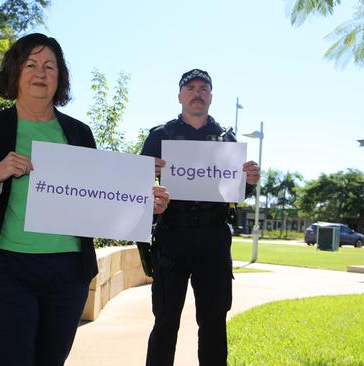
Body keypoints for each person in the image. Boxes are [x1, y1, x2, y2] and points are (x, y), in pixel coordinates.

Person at [0, 33, 169, 366]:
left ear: (60, 77)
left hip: (66, 275)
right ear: (15, 74)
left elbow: (98, 199)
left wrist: (143, 203)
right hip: (0, 272)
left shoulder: (79, 134)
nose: (41, 73)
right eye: (31, 64)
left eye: (50, 66)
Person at [140, 68, 260, 366]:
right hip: (171, 238)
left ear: (210, 97)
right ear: (180, 96)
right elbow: (132, 189)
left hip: (213, 240)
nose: (197, 93)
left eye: (203, 88)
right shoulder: (160, 136)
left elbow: (237, 191)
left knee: (214, 323)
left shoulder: (226, 138)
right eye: (190, 88)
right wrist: (146, 173)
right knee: (165, 322)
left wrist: (251, 181)